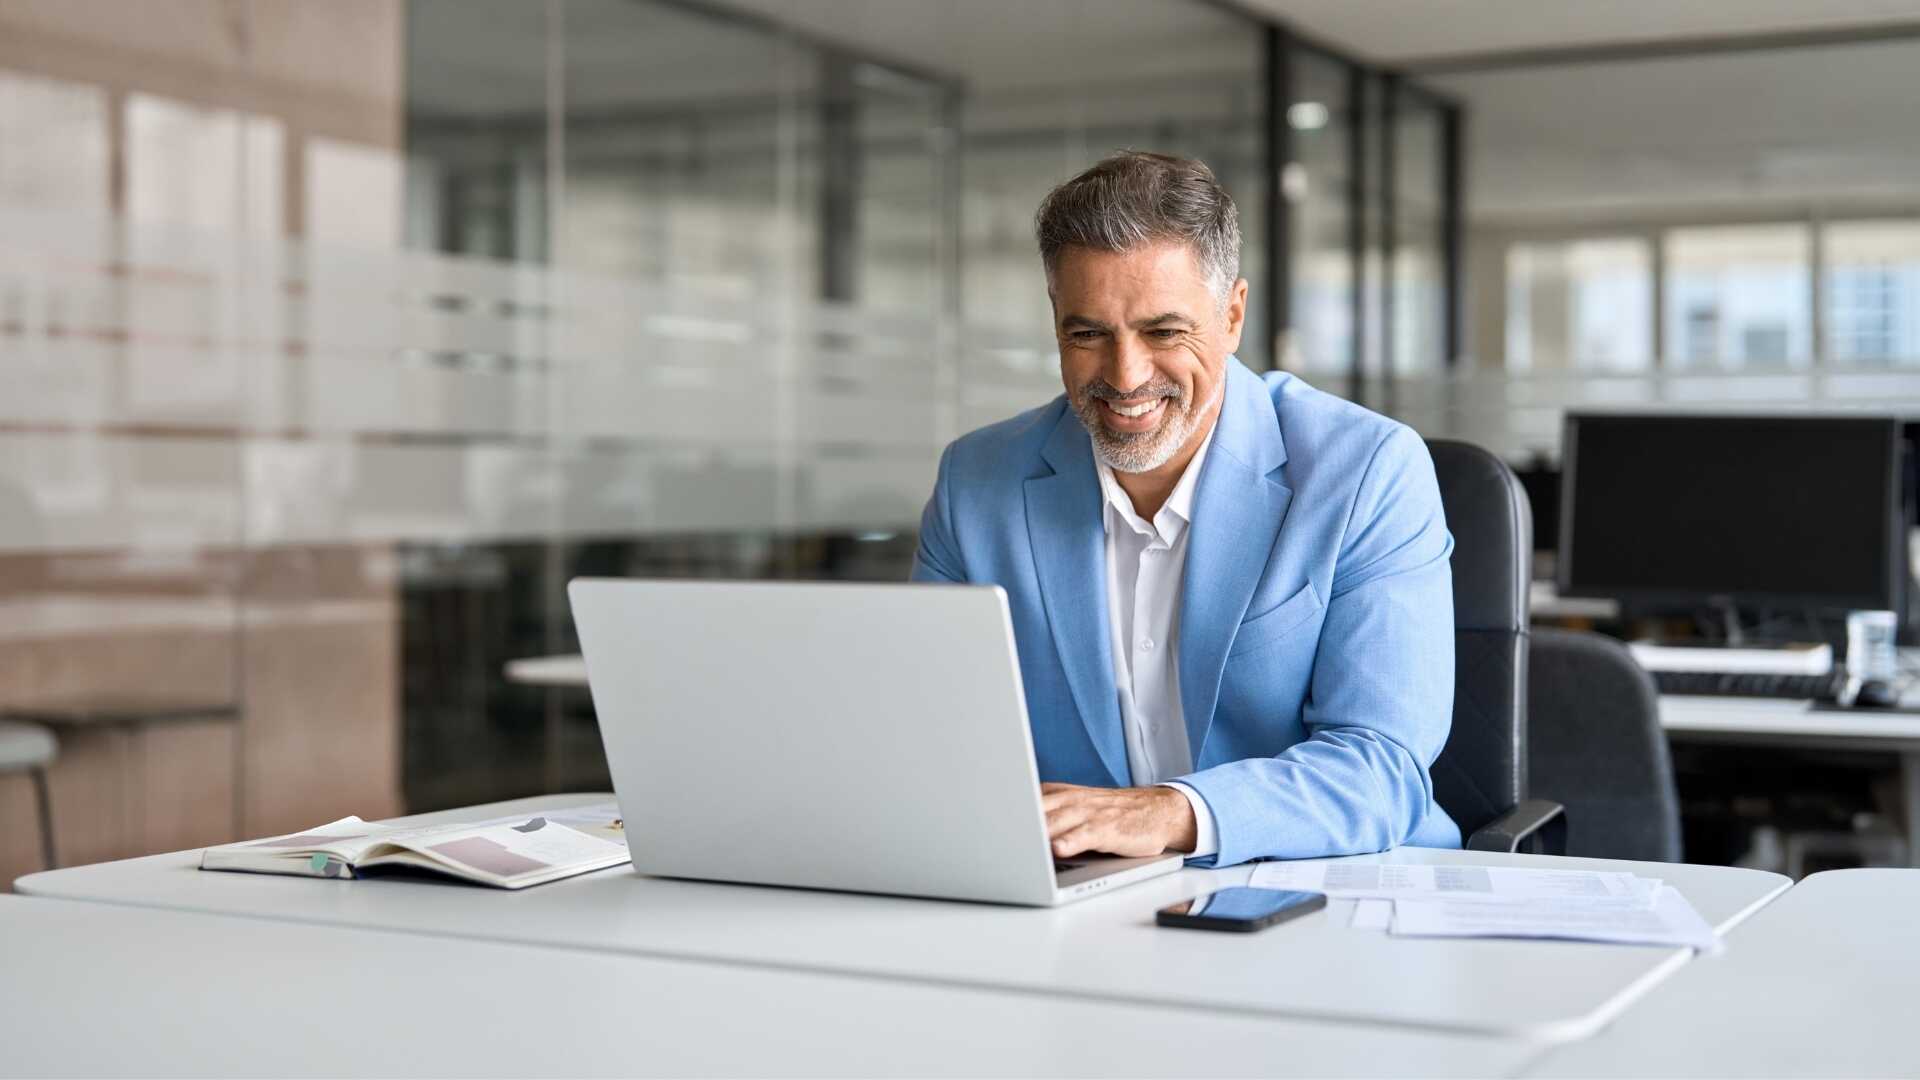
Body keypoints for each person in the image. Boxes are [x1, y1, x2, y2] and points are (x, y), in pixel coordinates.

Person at [911, 150, 1459, 867]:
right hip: (1075, 896)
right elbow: (929, 738)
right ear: (1056, 323)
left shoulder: (1367, 472)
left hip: (1330, 886)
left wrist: (1171, 814)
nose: (1125, 376)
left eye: (1164, 332)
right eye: (1088, 334)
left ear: (1231, 316)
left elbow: (1382, 768)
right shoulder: (977, 481)